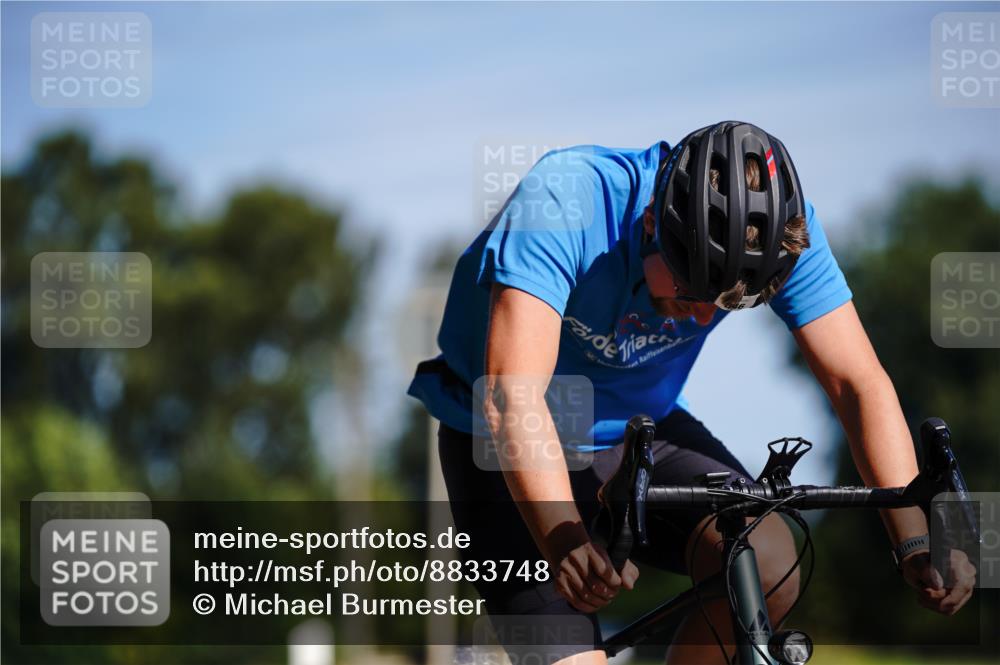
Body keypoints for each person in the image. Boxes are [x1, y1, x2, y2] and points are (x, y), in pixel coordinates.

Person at [407, 121, 976, 665]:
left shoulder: (778, 234)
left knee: (770, 559)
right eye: (691, 287)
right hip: (506, 442)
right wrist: (563, 539)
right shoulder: (565, 199)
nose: (703, 312)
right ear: (653, 222)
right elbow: (511, 397)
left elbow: (857, 384)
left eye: (728, 304)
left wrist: (913, 539)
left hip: (637, 429)